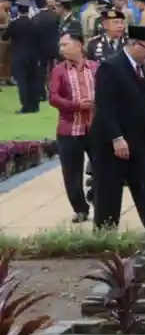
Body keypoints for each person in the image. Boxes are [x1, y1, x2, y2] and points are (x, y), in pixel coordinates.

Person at [91, 24, 145, 231]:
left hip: (139, 140)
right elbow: (104, 107)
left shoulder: (142, 67)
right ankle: (105, 236)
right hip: (112, 143)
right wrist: (116, 138)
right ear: (134, 44)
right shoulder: (111, 67)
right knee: (109, 193)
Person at [48, 32, 97, 223]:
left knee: (102, 169)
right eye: (60, 45)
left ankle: (98, 201)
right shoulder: (59, 70)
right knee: (71, 173)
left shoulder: (95, 68)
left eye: (65, 45)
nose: (61, 49)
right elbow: (53, 97)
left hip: (94, 128)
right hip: (69, 129)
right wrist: (77, 105)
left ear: (78, 45)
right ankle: (80, 209)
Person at [2, 0, 40, 113]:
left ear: (18, 10)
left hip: (18, 56)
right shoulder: (35, 23)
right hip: (33, 56)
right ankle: (34, 105)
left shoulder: (14, 24)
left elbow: (5, 37)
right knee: (32, 81)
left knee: (22, 82)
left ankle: (25, 106)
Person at [0, 0, 11, 85]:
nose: (10, 4)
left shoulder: (7, 12)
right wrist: (6, 26)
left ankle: (7, 78)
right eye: (8, 2)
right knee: (1, 60)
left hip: (7, 40)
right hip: (1, 39)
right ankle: (2, 79)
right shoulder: (1, 12)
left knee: (7, 60)